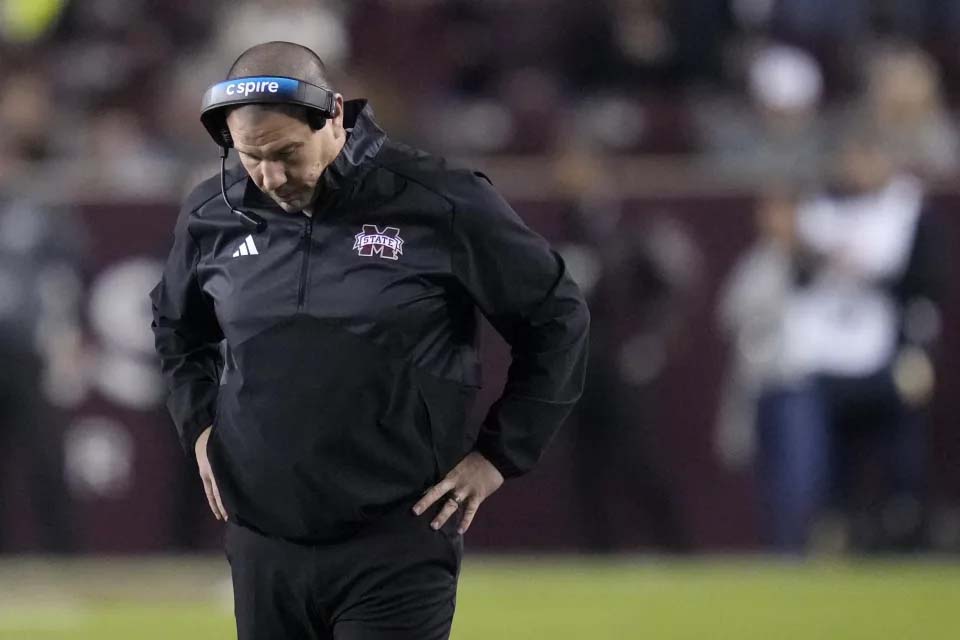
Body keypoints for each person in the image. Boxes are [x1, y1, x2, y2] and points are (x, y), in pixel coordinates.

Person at [149, 41, 589, 639]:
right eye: (251, 157)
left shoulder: (442, 201)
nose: (272, 177)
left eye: (286, 153)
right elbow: (177, 328)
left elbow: (557, 315)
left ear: (333, 117)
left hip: (396, 538)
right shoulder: (211, 213)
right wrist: (199, 424)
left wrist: (500, 455)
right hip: (261, 541)